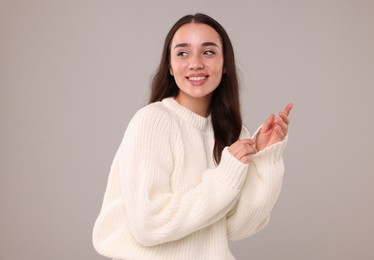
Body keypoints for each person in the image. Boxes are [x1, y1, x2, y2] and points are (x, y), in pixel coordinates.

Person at [92, 13, 293, 260]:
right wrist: (225, 175)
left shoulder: (234, 133)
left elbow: (237, 227)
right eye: (182, 53)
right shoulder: (153, 121)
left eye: (208, 52)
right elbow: (149, 224)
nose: (195, 63)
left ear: (225, 63)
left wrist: (265, 159)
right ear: (169, 65)